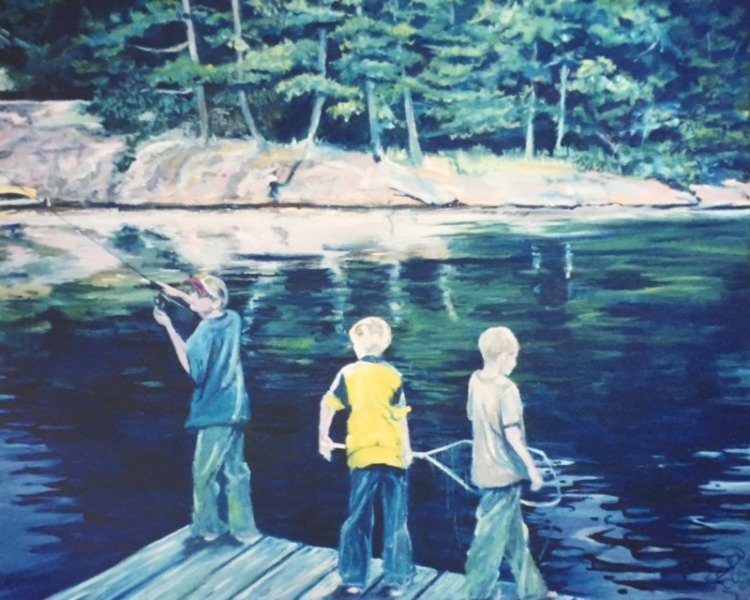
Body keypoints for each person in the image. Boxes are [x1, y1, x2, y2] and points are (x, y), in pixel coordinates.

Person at [153, 274, 258, 543]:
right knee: (236, 471)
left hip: (215, 412)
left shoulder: (202, 333)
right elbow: (206, 309)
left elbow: (193, 371)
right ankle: (244, 529)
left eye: (200, 295)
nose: (194, 297)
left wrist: (169, 327)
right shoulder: (233, 319)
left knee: (203, 474)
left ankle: (209, 528)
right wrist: (177, 294)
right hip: (237, 409)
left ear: (216, 301)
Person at [318, 317, 415, 598]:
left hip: (362, 454)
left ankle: (353, 578)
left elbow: (328, 403)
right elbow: (400, 416)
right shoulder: (393, 375)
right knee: (396, 519)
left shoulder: (349, 373)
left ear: (356, 344)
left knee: (358, 517)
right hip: (393, 454)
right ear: (385, 344)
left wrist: (323, 437)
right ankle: (397, 579)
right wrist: (407, 449)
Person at [464, 326, 550, 600]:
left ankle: (533, 591)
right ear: (504, 356)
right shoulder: (507, 389)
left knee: (516, 536)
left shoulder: (475, 380)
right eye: (514, 357)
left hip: (482, 469)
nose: (515, 362)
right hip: (504, 474)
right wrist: (532, 469)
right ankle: (480, 594)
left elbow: (471, 416)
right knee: (488, 540)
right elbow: (512, 434)